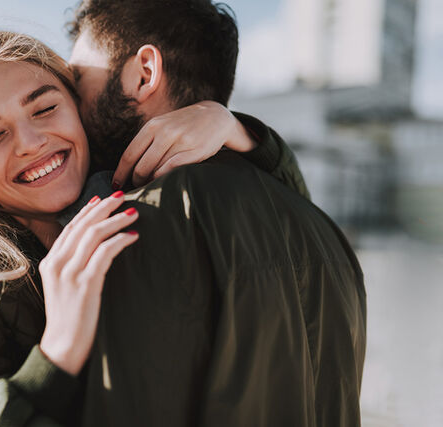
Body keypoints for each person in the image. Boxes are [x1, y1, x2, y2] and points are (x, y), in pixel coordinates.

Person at [0, 15, 308, 427]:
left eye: (45, 108)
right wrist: (54, 356)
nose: (30, 142)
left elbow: (296, 216)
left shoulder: (102, 203)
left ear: (79, 112)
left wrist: (232, 127)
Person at [66, 1, 366, 426]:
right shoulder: (325, 231)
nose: (70, 102)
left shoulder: (133, 225)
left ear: (144, 73)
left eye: (78, 78)